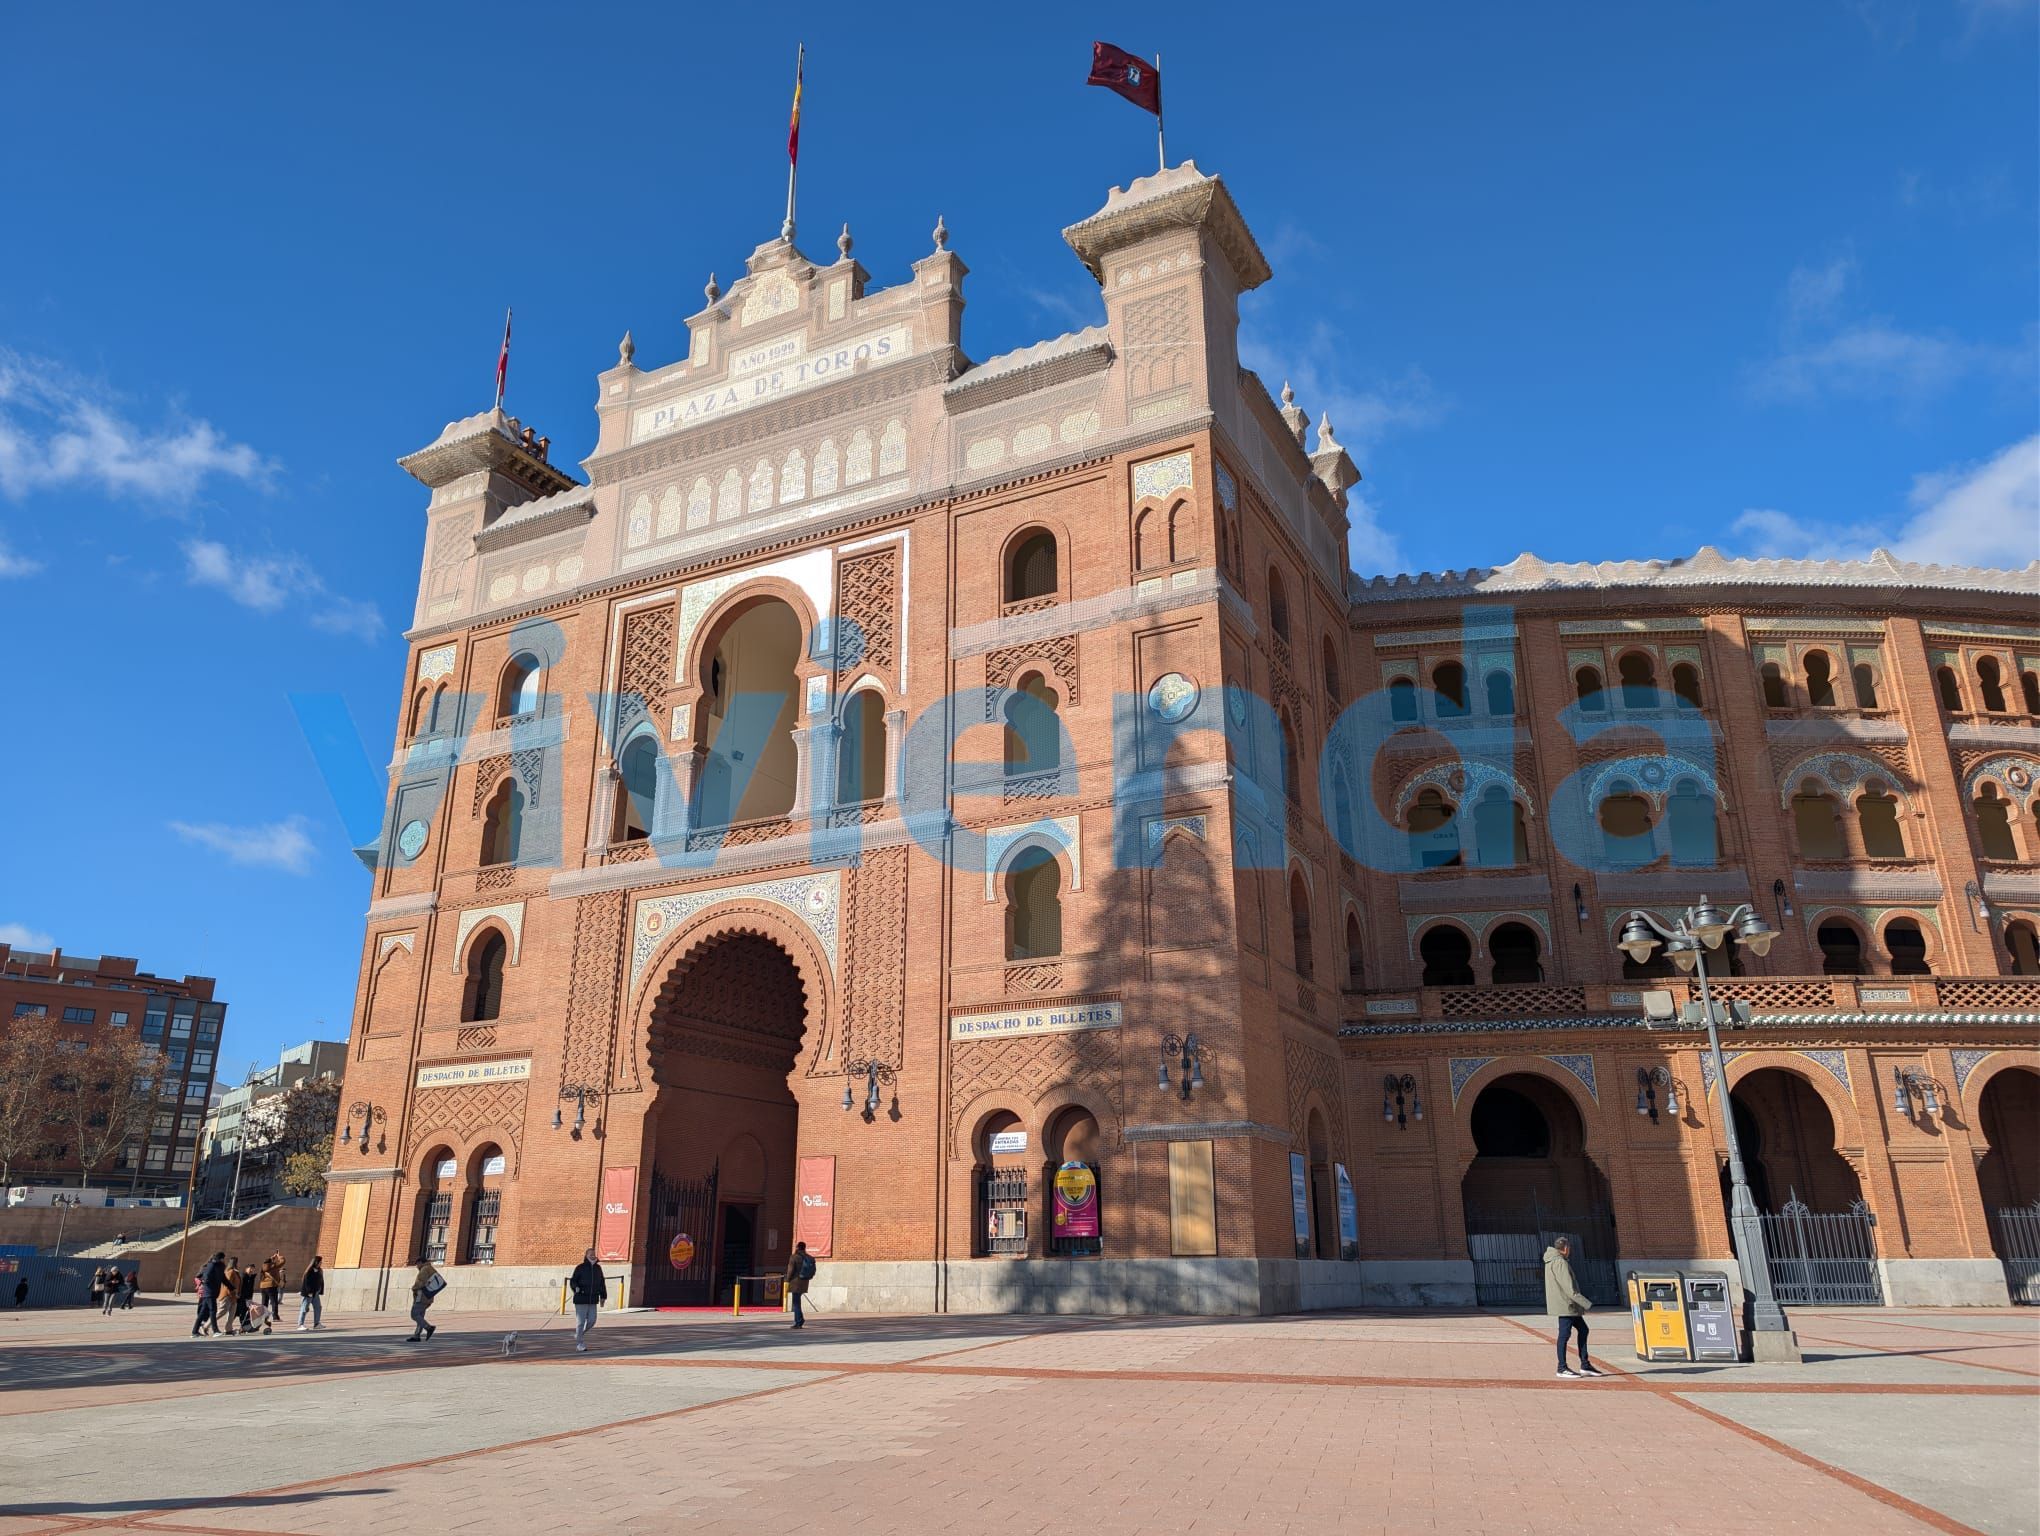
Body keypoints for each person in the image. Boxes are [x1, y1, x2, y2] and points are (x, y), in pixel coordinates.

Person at [1544, 1236, 1602, 1379]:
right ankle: (1562, 1367)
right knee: (1564, 1335)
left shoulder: (1551, 1260)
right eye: (1569, 1248)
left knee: (1583, 1329)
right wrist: (1587, 1304)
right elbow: (1570, 1289)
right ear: (1565, 1248)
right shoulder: (1559, 1263)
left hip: (1567, 1304)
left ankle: (1585, 1365)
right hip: (1566, 1305)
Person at [568, 1247, 607, 1352]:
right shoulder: (580, 1268)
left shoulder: (598, 1268)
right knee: (580, 1322)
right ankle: (580, 1344)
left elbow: (602, 1283)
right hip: (581, 1298)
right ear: (586, 1255)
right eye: (590, 1254)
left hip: (593, 1299)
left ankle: (578, 1334)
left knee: (592, 1321)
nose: (592, 1255)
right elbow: (573, 1280)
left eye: (594, 1254)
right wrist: (575, 1287)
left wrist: (603, 1296)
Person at [405, 1258, 441, 1342]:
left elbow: (421, 1282)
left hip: (421, 1295)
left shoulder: (424, 1269)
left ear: (420, 1262)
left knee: (414, 1314)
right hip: (429, 1295)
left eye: (417, 1264)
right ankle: (417, 1335)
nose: (417, 1266)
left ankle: (428, 1328)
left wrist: (414, 1288)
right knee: (420, 1316)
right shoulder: (431, 1268)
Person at [193, 1252, 228, 1337]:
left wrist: (232, 1288)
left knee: (202, 1313)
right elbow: (205, 1277)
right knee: (213, 1311)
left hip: (209, 1292)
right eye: (223, 1258)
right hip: (209, 1292)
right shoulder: (211, 1266)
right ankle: (215, 1330)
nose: (224, 1260)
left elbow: (223, 1279)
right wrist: (206, 1284)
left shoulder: (218, 1267)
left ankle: (194, 1332)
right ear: (221, 1258)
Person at [783, 1241, 815, 1330]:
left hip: (795, 1282)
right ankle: (800, 1320)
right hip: (804, 1281)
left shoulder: (794, 1257)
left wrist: (787, 1280)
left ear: (797, 1247)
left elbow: (790, 1270)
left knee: (796, 1303)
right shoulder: (809, 1258)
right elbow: (813, 1271)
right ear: (804, 1248)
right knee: (797, 1301)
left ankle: (798, 1322)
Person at [297, 1255, 325, 1331]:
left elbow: (321, 1282)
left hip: (315, 1293)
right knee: (304, 1308)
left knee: (318, 1307)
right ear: (316, 1262)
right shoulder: (309, 1271)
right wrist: (309, 1292)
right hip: (308, 1293)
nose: (321, 1264)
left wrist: (320, 1291)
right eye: (320, 1262)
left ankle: (316, 1324)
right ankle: (300, 1324)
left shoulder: (319, 1271)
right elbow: (306, 1283)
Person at [260, 1253, 285, 1324]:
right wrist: (279, 1256)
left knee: (264, 1303)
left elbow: (268, 1262)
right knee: (274, 1302)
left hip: (263, 1286)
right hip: (271, 1286)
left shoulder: (263, 1266)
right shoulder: (273, 1266)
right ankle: (275, 1317)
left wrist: (271, 1258)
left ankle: (263, 1317)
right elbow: (283, 1261)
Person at [241, 1263, 262, 1333]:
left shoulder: (251, 1277)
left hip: (248, 1297)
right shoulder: (243, 1276)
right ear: (246, 1269)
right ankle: (243, 1327)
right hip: (242, 1297)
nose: (251, 1270)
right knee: (243, 1313)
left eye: (252, 1269)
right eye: (250, 1268)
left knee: (246, 1313)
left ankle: (245, 1327)